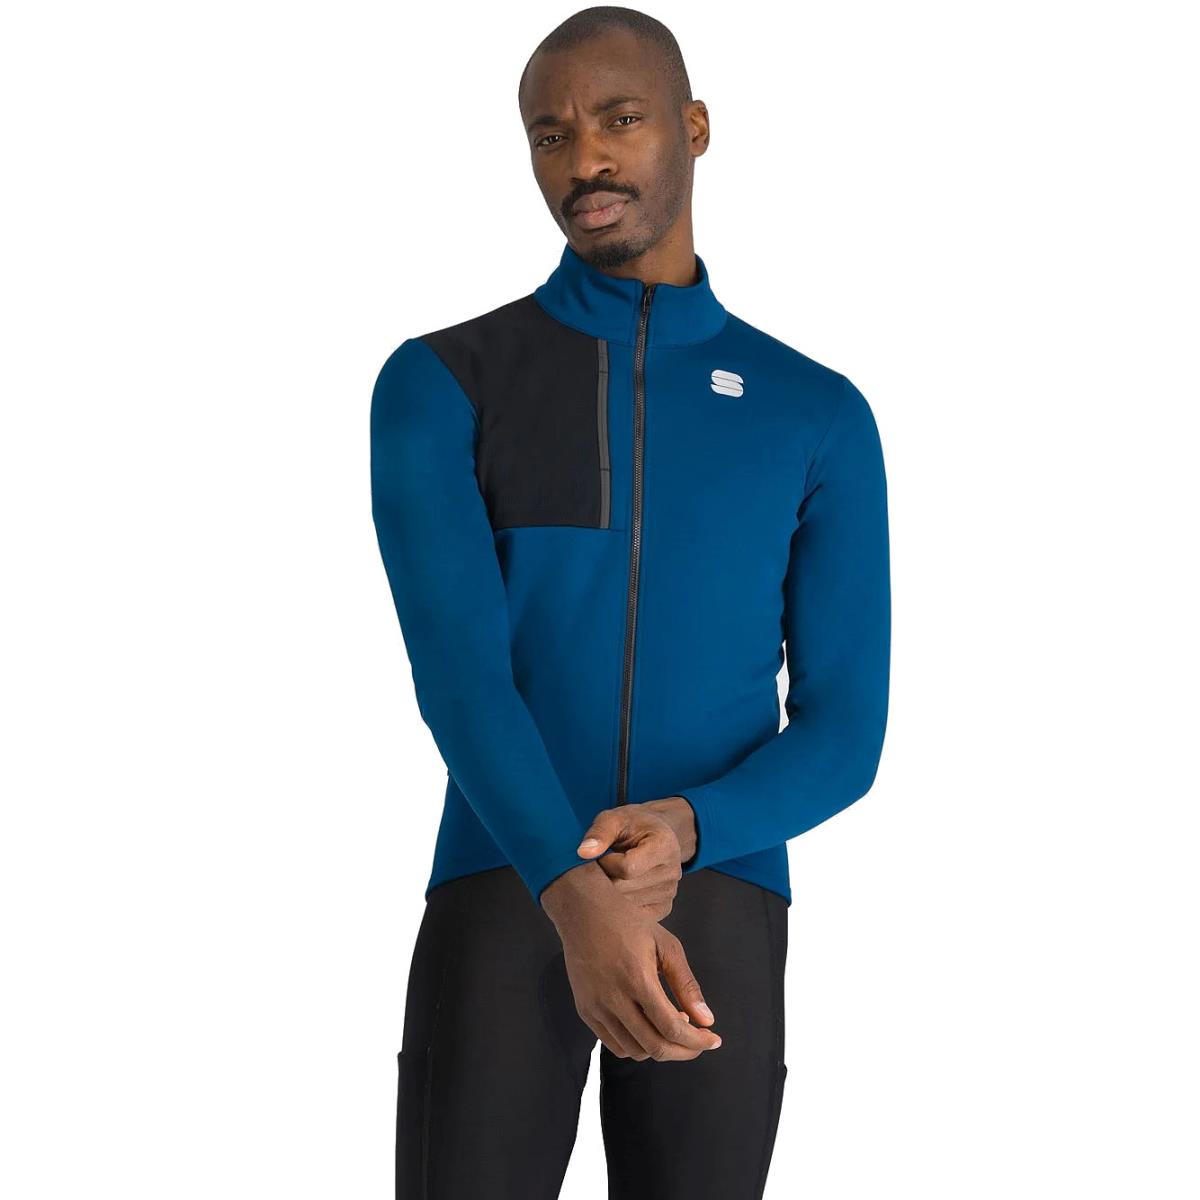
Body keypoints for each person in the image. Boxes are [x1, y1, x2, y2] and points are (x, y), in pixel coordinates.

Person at [369, 7, 891, 1197]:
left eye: (620, 119)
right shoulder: (444, 382)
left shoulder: (815, 413)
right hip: (507, 877)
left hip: (720, 887)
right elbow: (459, 677)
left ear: (695, 128)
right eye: (551, 135)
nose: (586, 159)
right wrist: (572, 893)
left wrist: (691, 831)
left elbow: (846, 730)